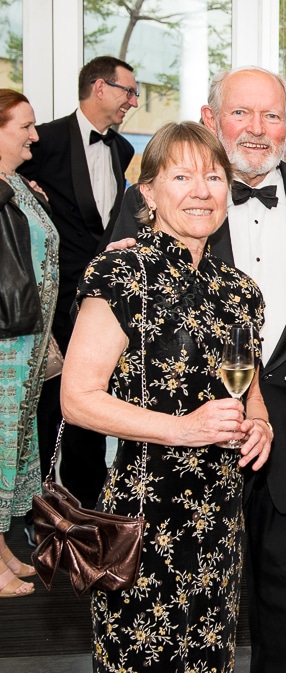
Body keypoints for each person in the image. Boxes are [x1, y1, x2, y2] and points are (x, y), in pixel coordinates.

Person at [105, 66, 286, 673]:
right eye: (240, 113)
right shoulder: (162, 199)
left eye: (272, 115)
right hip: (186, 454)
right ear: (211, 119)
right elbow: (111, 314)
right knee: (179, 617)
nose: (257, 129)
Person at [60, 121, 272, 671]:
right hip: (143, 521)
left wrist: (261, 424)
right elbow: (77, 398)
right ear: (148, 192)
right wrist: (183, 429)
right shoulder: (121, 273)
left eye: (214, 177)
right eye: (182, 177)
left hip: (220, 520)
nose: (202, 190)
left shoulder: (241, 291)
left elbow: (250, 389)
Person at [21, 56, 138, 510]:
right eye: (128, 91)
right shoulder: (44, 140)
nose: (133, 101)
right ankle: (37, 505)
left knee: (96, 396)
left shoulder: (122, 149)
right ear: (99, 87)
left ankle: (87, 505)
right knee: (50, 404)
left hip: (103, 298)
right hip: (54, 301)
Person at [0, 89, 55, 598]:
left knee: (14, 446)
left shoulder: (16, 182)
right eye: (25, 126)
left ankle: (2, 549)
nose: (35, 136)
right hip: (3, 344)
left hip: (26, 341)